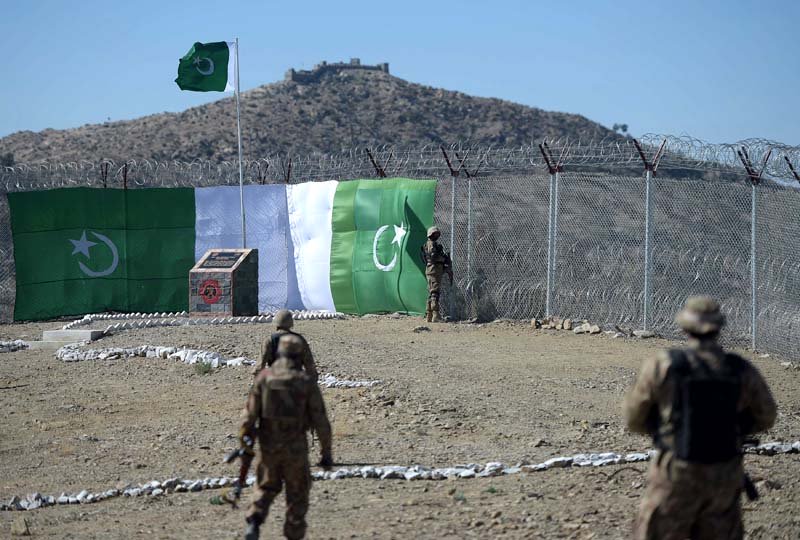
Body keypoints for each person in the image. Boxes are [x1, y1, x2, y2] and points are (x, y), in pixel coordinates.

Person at [624, 296, 777, 540]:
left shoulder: (663, 365)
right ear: (718, 328)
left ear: (684, 327)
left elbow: (634, 418)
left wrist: (664, 430)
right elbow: (767, 416)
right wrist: (736, 429)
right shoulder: (739, 369)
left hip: (676, 471)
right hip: (724, 472)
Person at [239, 334, 333, 540]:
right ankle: (293, 532)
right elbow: (321, 421)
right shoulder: (305, 382)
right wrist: (326, 453)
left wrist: (245, 440)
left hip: (268, 446)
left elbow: (249, 415)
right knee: (297, 493)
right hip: (296, 448)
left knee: (265, 485)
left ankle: (254, 519)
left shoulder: (264, 378)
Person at [256, 309, 317, 380]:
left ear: (276, 323)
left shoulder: (269, 340)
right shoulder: (300, 339)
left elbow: (260, 366)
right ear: (291, 323)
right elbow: (309, 365)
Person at [420, 226, 453, 323]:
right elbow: (433, 256)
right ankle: (435, 315)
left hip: (432, 269)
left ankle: (429, 315)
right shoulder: (431, 244)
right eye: (435, 234)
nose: (437, 236)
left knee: (431, 292)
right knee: (435, 292)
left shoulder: (429, 244)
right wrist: (443, 259)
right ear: (431, 235)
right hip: (434, 269)